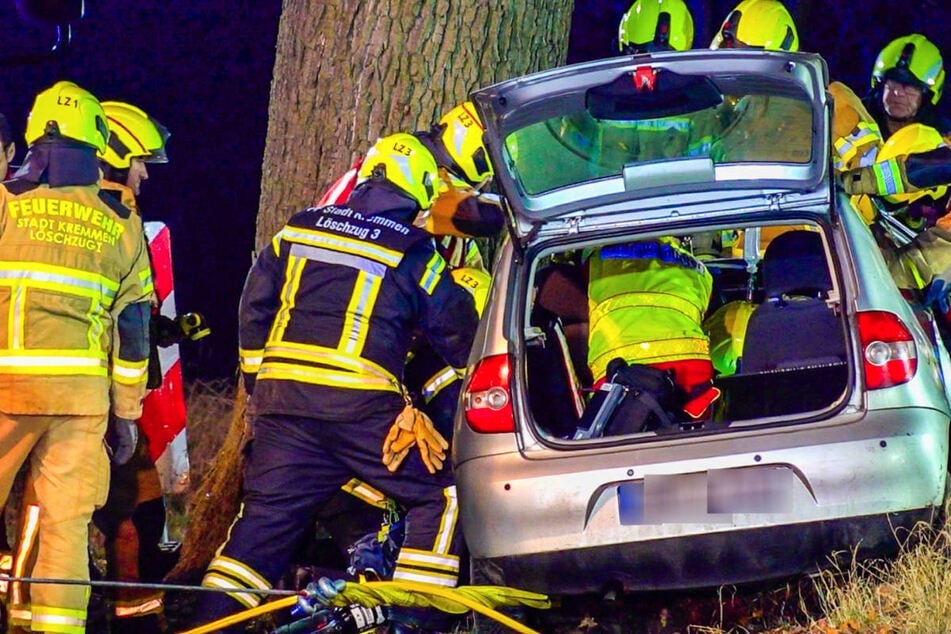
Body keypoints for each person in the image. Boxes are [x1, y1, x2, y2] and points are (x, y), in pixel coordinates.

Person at [191, 133, 479, 633]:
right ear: (420, 188)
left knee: (260, 530)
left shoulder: (298, 228)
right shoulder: (414, 250)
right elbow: (456, 329)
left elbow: (254, 308)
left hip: (282, 405)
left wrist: (260, 386)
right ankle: (413, 619)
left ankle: (210, 626)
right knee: (444, 495)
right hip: (359, 406)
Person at [0, 80, 153, 634]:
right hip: (81, 402)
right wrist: (127, 415)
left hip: (5, 388)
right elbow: (133, 333)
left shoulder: (5, 203)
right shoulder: (122, 222)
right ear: (96, 143)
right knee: (65, 530)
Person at [95, 100, 176, 633]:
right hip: (99, 399)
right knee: (129, 516)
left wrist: (160, 329)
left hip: (103, 395)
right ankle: (132, 620)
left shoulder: (113, 215)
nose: (145, 173)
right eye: (140, 161)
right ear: (114, 157)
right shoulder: (112, 220)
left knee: (136, 514)